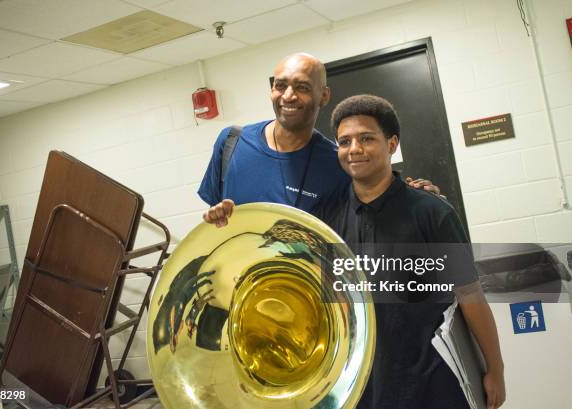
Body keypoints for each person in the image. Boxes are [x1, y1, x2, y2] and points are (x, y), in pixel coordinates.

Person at [204, 95, 506, 409]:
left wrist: (494, 369)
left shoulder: (433, 213)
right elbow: (275, 253)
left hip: (433, 381)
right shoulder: (325, 218)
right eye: (344, 142)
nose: (354, 150)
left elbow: (470, 295)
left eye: (366, 139)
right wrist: (233, 218)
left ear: (391, 144)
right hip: (361, 385)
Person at [198, 52, 438, 218]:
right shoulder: (232, 142)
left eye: (302, 87)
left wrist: (416, 198)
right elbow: (215, 216)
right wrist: (217, 216)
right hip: (238, 284)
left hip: (307, 286)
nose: (288, 96)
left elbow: (374, 207)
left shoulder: (339, 163)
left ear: (323, 96)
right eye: (280, 86)